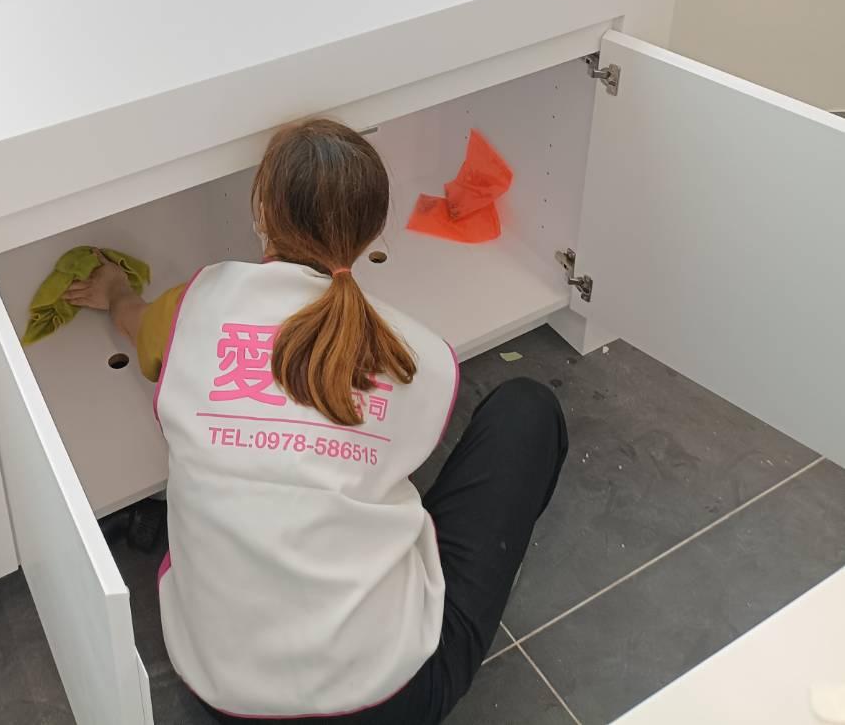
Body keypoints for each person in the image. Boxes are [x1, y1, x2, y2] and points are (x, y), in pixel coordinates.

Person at [68, 117, 567, 723]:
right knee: (528, 412)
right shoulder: (416, 354)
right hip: (391, 700)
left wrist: (116, 293)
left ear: (261, 214)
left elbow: (137, 324)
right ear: (373, 232)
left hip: (225, 696)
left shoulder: (195, 304)